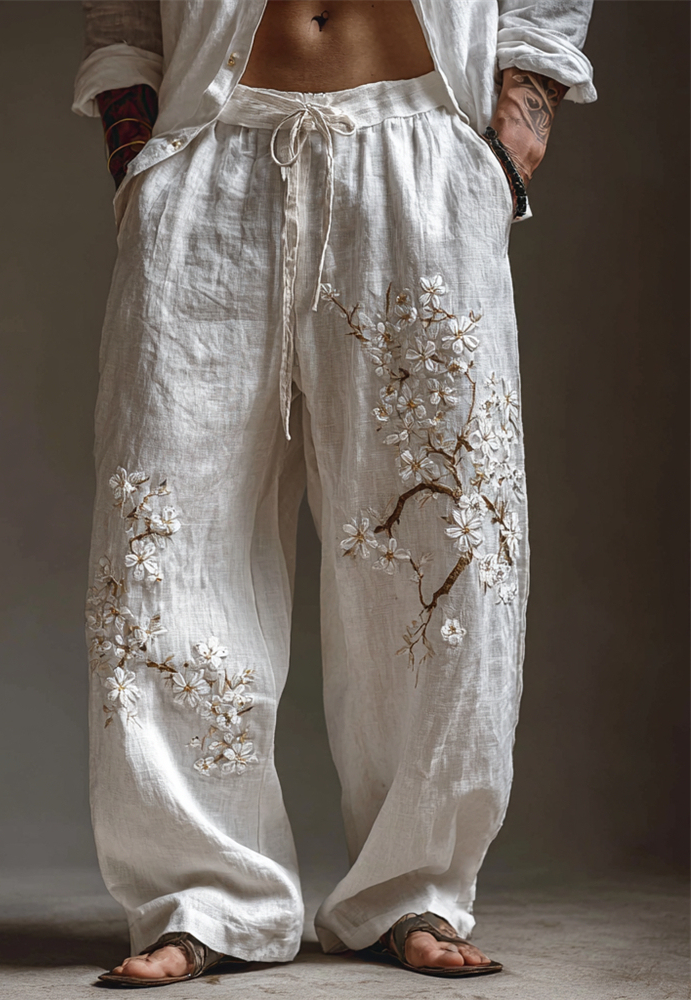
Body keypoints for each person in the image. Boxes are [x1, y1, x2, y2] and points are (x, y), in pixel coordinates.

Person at [72, 0, 596, 986]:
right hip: (212, 154)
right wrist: (143, 165)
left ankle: (414, 887)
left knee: (446, 547)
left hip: (419, 159)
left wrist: (506, 153)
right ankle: (201, 893)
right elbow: (121, 17)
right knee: (167, 541)